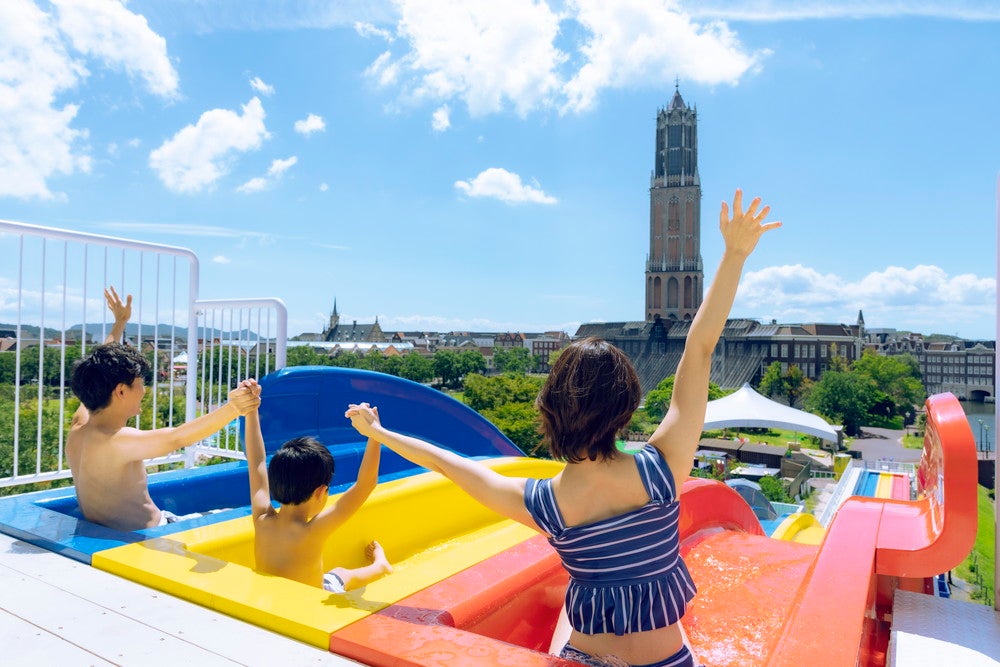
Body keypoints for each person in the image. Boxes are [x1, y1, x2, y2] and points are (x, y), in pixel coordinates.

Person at [346, 189, 780, 667]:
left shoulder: (545, 505)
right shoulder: (662, 471)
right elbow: (699, 347)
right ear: (626, 406)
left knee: (572, 600)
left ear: (550, 408)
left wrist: (379, 433)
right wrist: (735, 254)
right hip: (667, 660)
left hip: (583, 660)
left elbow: (447, 463)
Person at [67, 286, 260, 531]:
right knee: (241, 521)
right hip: (152, 534)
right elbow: (176, 437)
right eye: (141, 384)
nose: (144, 391)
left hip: (108, 534)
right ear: (121, 391)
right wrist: (234, 408)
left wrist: (119, 323)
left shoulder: (80, 426)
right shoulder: (116, 441)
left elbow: (98, 371)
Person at [243, 381, 392, 592]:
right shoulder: (312, 531)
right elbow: (365, 485)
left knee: (339, 573)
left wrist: (251, 410)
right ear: (320, 492)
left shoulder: (262, 519)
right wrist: (375, 433)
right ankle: (380, 567)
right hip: (310, 605)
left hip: (270, 602)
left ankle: (380, 566)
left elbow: (256, 461)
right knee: (341, 574)